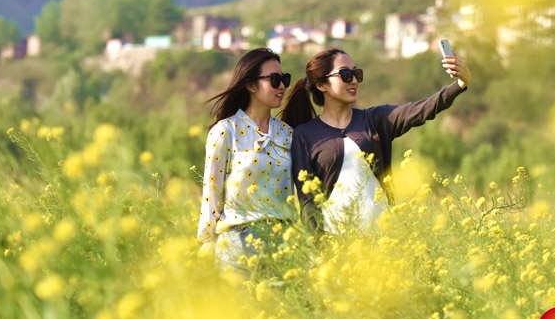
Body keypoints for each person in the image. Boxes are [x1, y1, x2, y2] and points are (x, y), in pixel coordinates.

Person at [281, 48, 471, 233]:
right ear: (321, 85)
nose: (354, 80)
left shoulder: (376, 119)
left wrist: (460, 84)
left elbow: (420, 110)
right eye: (346, 75)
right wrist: (318, 249)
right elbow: (308, 203)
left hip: (382, 239)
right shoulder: (304, 135)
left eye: (357, 74)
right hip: (336, 245)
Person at [198, 48, 295, 273]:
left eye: (285, 79)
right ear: (251, 85)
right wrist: (207, 244)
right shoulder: (225, 132)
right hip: (237, 245)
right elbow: (212, 196)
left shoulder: (288, 134)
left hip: (283, 245)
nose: (282, 86)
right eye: (274, 80)